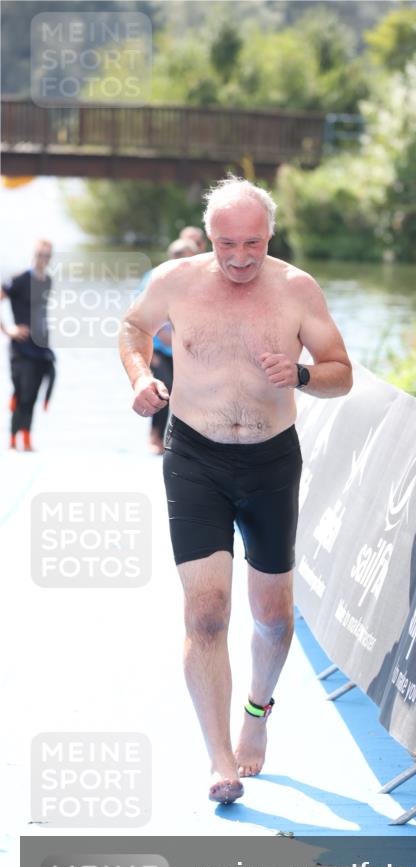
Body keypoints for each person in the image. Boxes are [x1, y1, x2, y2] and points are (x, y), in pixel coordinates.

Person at [119, 177, 353, 805]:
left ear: (270, 235)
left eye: (253, 243)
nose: (241, 257)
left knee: (273, 618)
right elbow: (133, 327)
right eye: (227, 243)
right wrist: (139, 377)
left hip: (271, 462)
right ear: (209, 236)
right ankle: (219, 758)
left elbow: (341, 374)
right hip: (195, 458)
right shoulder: (176, 280)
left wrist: (301, 374)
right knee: (206, 612)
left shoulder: (297, 289)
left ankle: (257, 710)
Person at [0, 239, 56, 451]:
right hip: (21, 347)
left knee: (33, 394)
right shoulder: (19, 280)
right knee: (22, 392)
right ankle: (12, 440)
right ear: (33, 255)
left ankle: (26, 439)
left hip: (40, 347)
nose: (43, 259)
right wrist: (8, 330)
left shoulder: (47, 280)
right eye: (40, 254)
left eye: (47, 255)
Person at [144, 238, 198, 454]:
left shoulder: (199, 282)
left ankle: (180, 441)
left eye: (190, 260)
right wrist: (149, 352)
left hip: (186, 352)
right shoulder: (154, 280)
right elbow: (138, 319)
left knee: (188, 394)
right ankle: (155, 437)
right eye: (181, 260)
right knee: (163, 389)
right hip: (158, 350)